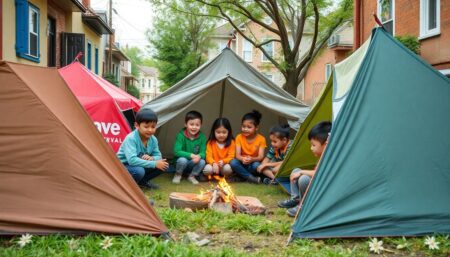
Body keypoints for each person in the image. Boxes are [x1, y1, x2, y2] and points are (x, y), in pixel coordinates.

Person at [277, 121, 332, 217]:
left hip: (322, 191)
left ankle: (303, 206)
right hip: (315, 186)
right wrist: (300, 172)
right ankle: (296, 199)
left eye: (314, 145)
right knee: (295, 171)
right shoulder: (321, 157)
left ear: (326, 144)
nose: (311, 148)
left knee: (304, 179)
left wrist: (302, 172)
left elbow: (319, 174)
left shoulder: (331, 157)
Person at [117, 108, 169, 190]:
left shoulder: (153, 139)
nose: (150, 130)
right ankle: (128, 187)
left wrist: (152, 158)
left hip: (138, 165)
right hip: (123, 166)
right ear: (137, 125)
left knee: (164, 165)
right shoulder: (131, 138)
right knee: (139, 171)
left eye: (153, 127)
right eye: (146, 127)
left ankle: (142, 183)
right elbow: (132, 160)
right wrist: (154, 163)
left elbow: (158, 156)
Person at [230, 110, 266, 184]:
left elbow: (261, 157)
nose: (245, 129)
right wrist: (243, 159)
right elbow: (237, 155)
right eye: (243, 126)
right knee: (233, 162)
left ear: (256, 128)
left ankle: (243, 176)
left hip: (253, 163)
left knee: (256, 165)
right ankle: (251, 178)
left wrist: (252, 159)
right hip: (242, 163)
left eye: (249, 127)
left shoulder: (261, 139)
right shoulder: (239, 137)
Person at [172, 110, 207, 185]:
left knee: (202, 161)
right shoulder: (181, 136)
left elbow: (203, 153)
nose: (194, 127)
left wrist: (199, 156)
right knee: (182, 160)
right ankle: (178, 174)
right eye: (191, 124)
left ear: (201, 125)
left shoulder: (202, 137)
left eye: (197, 125)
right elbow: (176, 151)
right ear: (185, 124)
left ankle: (192, 176)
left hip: (192, 163)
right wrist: (191, 155)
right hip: (181, 164)